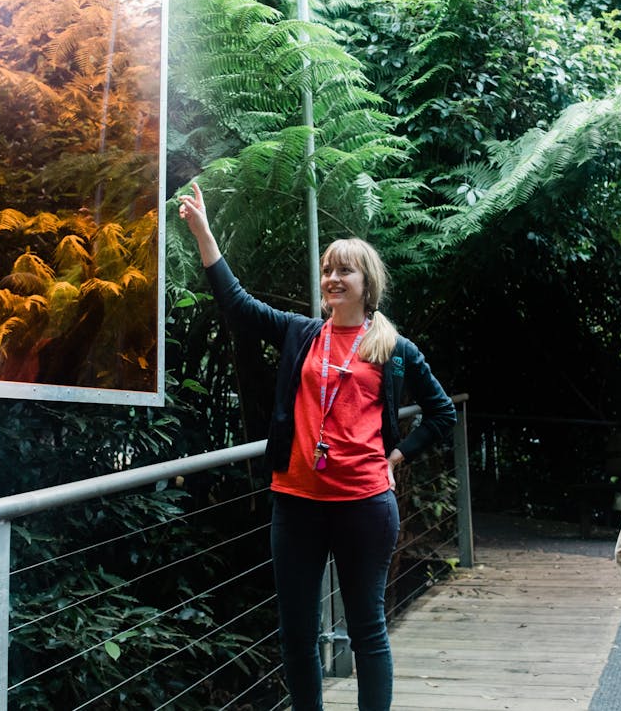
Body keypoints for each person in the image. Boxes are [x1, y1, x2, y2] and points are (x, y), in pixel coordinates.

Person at [177, 182, 456, 711]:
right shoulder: (303, 334)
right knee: (296, 636)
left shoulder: (392, 348)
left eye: (343, 270)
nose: (331, 278)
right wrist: (204, 233)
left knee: (367, 631)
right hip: (298, 502)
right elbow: (238, 305)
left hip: (364, 506)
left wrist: (398, 455)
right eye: (327, 269)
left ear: (366, 283)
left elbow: (442, 413)